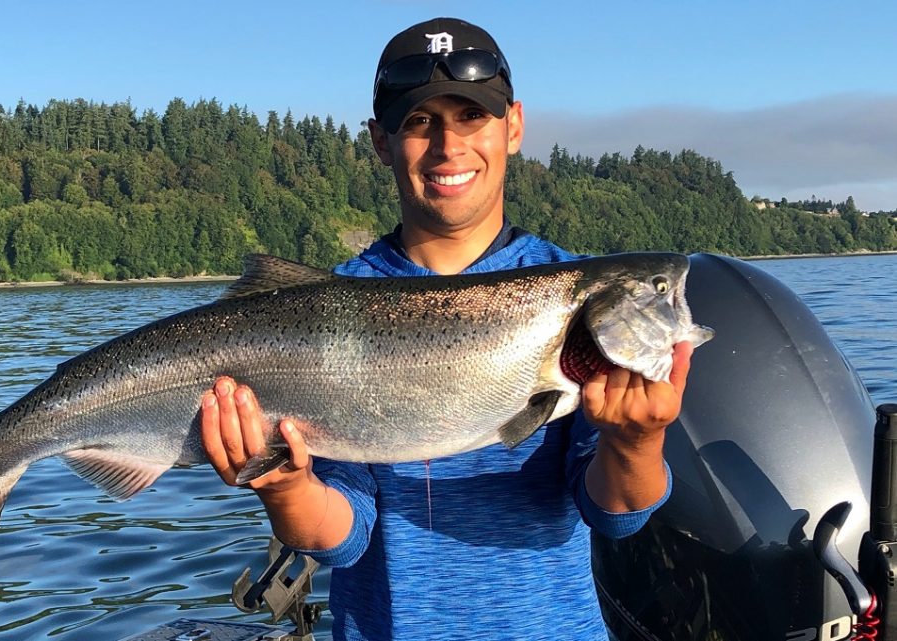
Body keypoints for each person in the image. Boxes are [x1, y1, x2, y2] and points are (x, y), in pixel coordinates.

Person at [199, 17, 693, 641]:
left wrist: (637, 443)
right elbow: (342, 537)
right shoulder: (332, 303)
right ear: (380, 141)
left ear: (513, 126)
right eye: (419, 122)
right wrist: (281, 484)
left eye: (471, 117)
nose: (448, 146)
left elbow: (616, 514)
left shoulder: (564, 289)